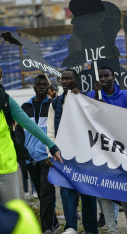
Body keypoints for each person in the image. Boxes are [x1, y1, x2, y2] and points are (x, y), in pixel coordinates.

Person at [0, 60, 62, 205]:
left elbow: (29, 124)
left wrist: (51, 145)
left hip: (5, 166)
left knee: (12, 212)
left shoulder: (5, 100)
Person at [87, 66, 127, 234]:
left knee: (125, 191)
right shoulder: (92, 95)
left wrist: (107, 111)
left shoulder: (126, 95)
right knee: (104, 191)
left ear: (113, 77)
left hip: (123, 150)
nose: (103, 78)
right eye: (100, 76)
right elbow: (88, 117)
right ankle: (112, 229)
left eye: (106, 75)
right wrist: (95, 97)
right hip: (102, 151)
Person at [47, 68, 98, 234]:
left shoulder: (85, 100)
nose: (64, 81)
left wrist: (80, 99)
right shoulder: (55, 103)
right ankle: (70, 227)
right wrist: (51, 153)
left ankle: (91, 229)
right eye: (63, 79)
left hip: (85, 155)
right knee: (67, 190)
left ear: (77, 81)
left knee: (88, 192)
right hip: (64, 155)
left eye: (68, 79)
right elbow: (50, 132)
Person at [15, 75, 60, 233]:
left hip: (47, 157)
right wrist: (24, 154)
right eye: (38, 84)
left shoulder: (53, 106)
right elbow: (19, 131)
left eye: (44, 84)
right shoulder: (25, 107)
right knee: (42, 194)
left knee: (47, 192)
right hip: (30, 158)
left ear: (48, 88)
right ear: (34, 87)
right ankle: (54, 222)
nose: (41, 86)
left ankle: (46, 229)